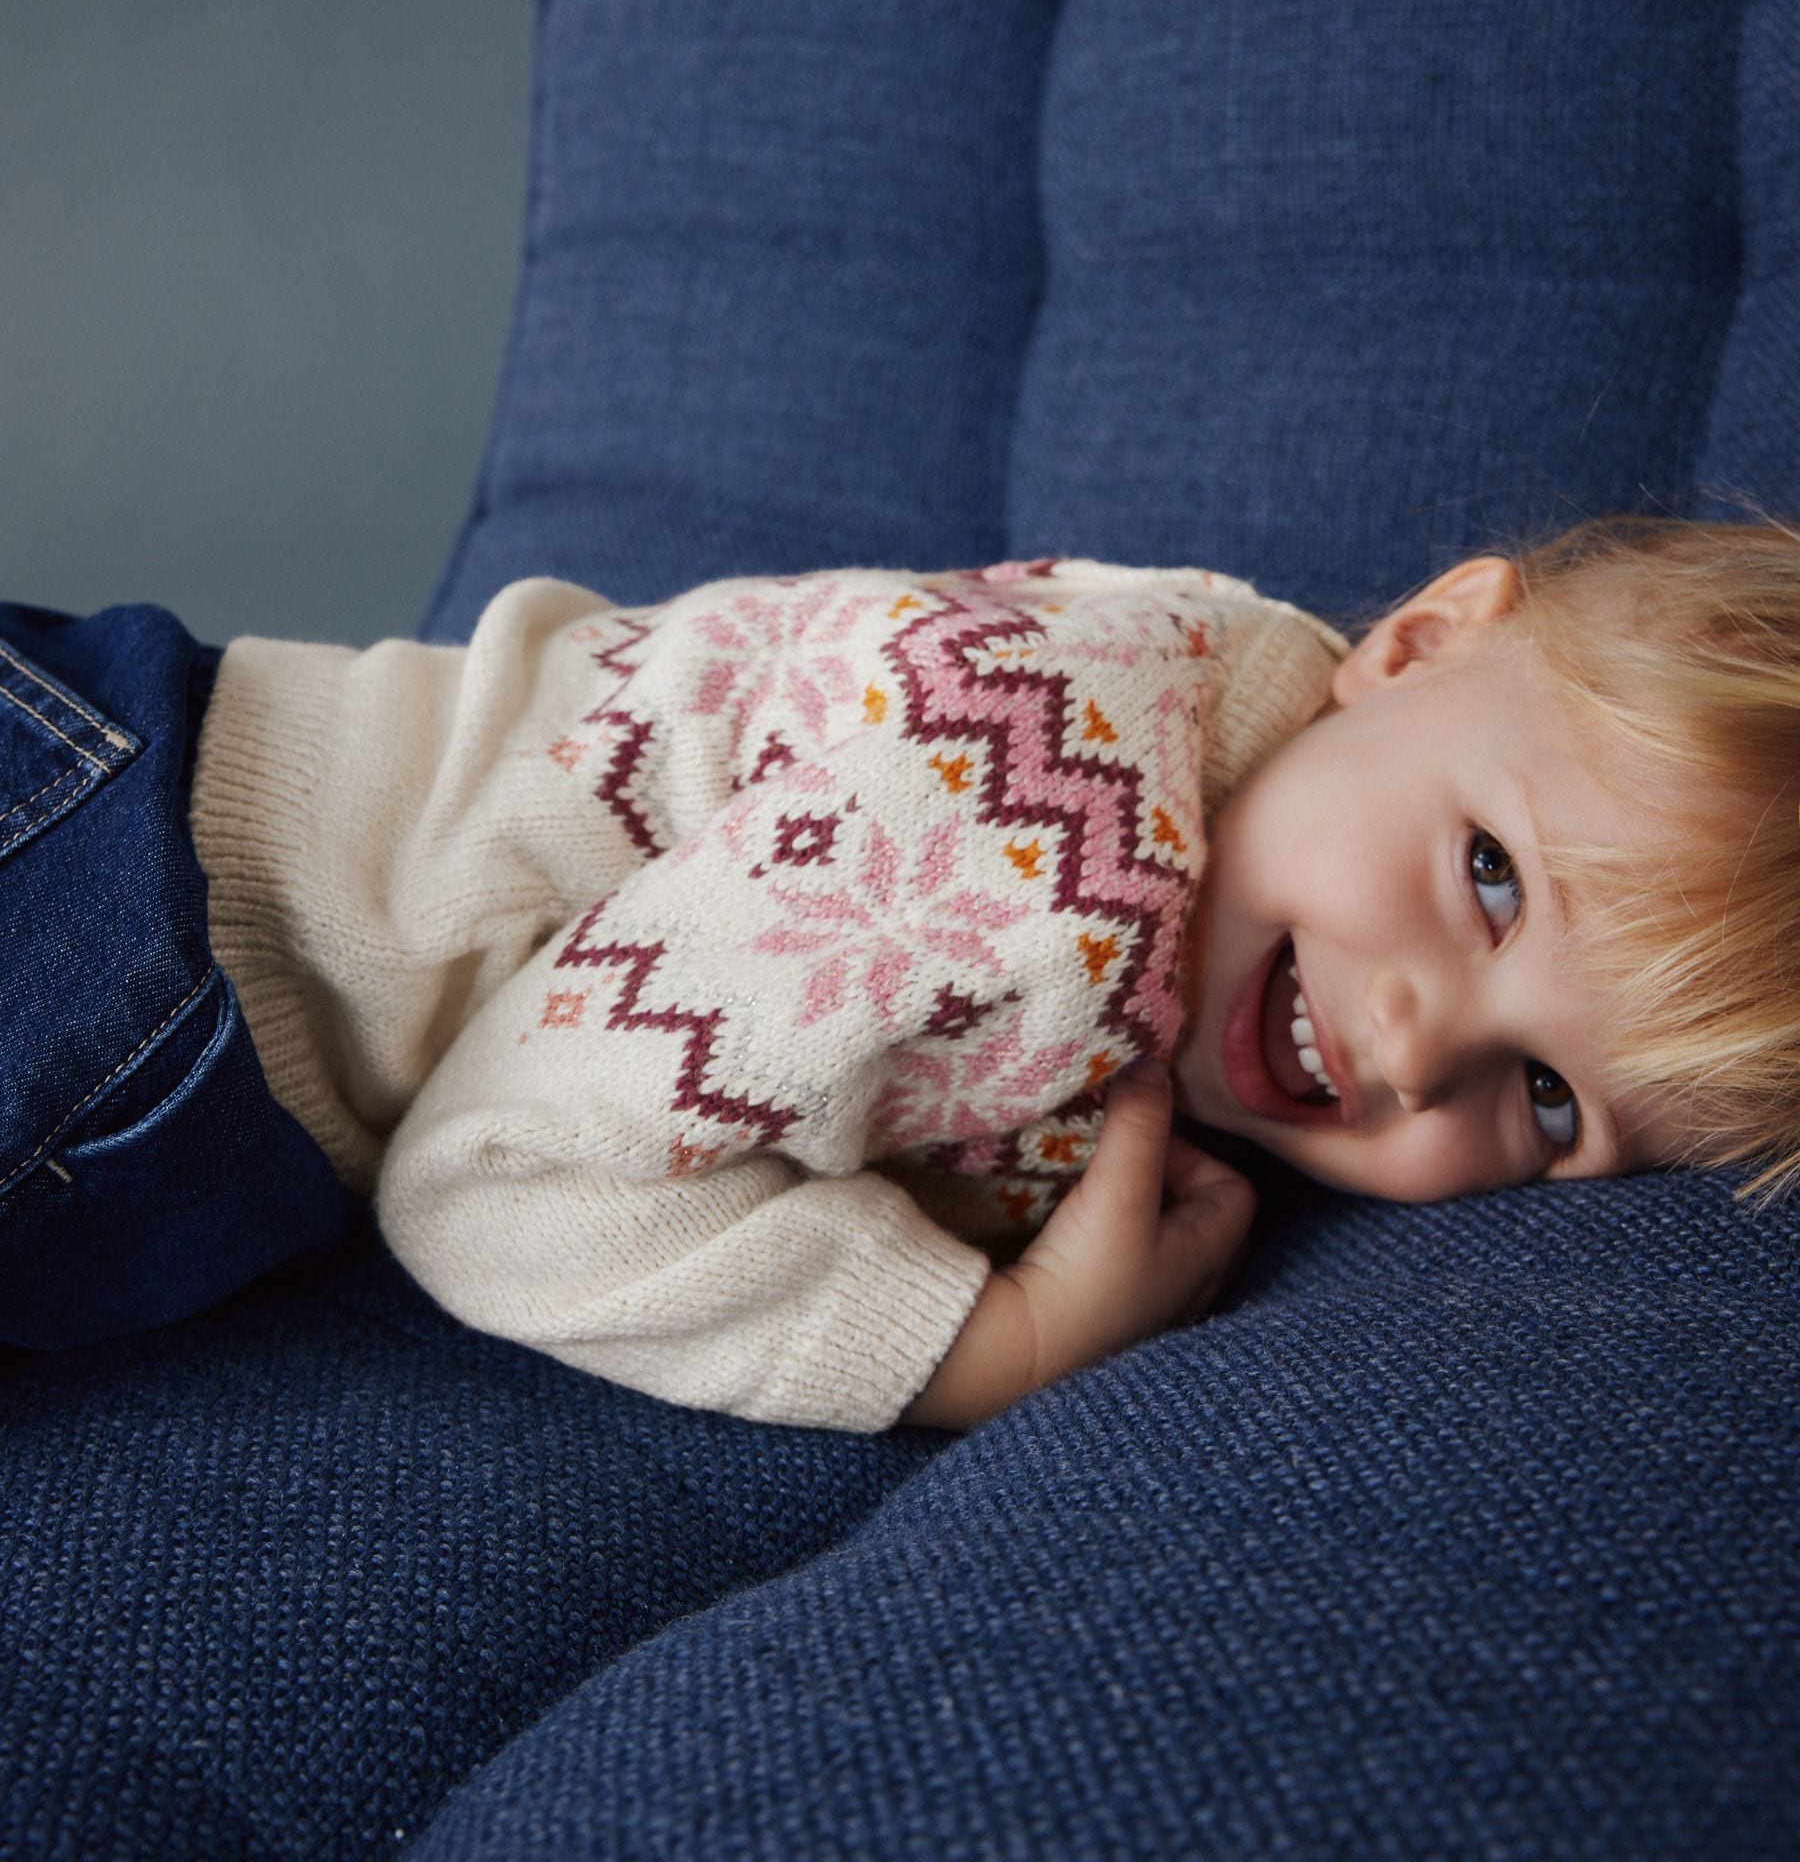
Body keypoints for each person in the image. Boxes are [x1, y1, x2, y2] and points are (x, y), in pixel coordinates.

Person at [2, 515, 1794, 1432]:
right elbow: (495, 1185)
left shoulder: (1213, 669)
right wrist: (979, 1347)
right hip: (138, 943)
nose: (1414, 1050)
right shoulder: (1055, 852)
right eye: (1490, 879)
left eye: (1547, 1100)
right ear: (1413, 643)